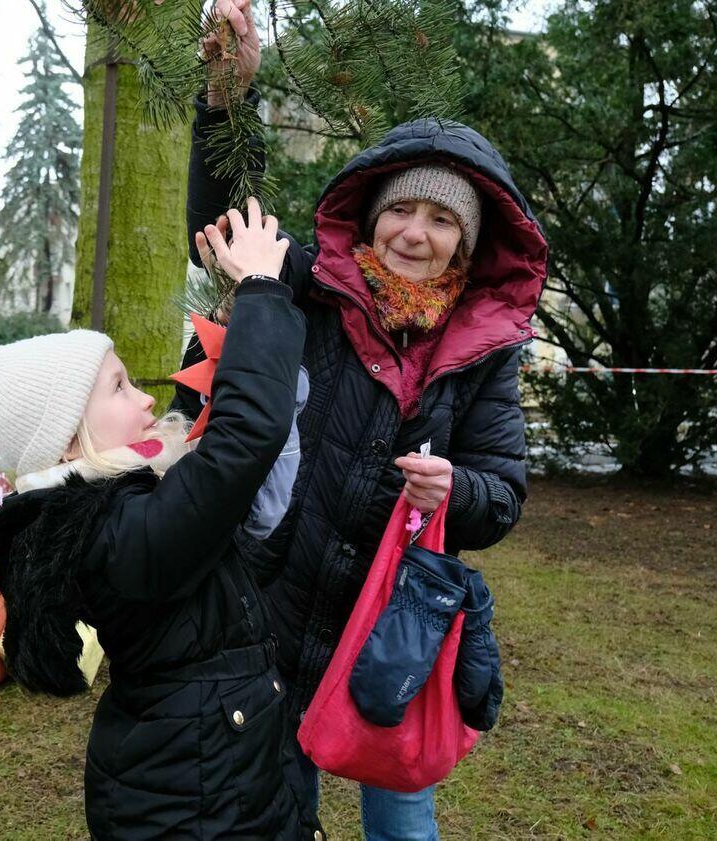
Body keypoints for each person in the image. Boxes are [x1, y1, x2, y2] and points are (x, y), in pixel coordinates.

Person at [180, 3, 548, 838]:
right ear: (373, 213)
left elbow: (502, 494)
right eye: (402, 210)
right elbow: (226, 226)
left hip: (393, 629)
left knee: (403, 817)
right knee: (281, 812)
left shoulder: (484, 349)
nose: (416, 233)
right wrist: (227, 101)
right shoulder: (313, 288)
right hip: (278, 604)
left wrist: (457, 488)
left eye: (442, 219)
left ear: (467, 242)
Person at [0, 200, 324, 839]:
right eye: (118, 387)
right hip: (189, 804)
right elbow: (240, 445)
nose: (144, 400)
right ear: (68, 440)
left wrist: (233, 323)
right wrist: (261, 290)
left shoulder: (122, 500)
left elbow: (223, 456)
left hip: (218, 775)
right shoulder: (114, 534)